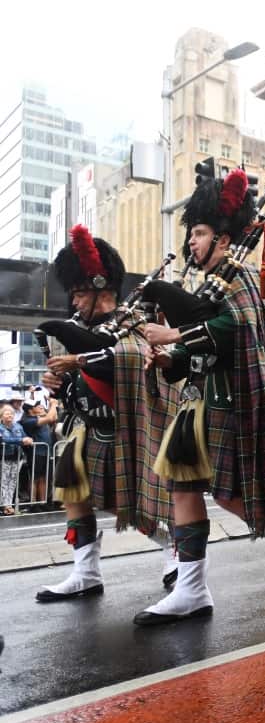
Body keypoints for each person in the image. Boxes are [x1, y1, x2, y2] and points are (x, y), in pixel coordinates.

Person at [137, 168, 265, 626]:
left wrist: (177, 331)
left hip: (229, 404)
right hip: (197, 404)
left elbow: (237, 329)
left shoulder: (242, 277)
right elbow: (201, 349)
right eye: (192, 235)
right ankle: (191, 589)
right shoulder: (210, 284)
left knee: (230, 496)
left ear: (224, 238)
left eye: (199, 233)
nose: (192, 245)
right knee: (182, 488)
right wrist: (171, 360)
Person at [36, 226, 177, 602]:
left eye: (80, 292)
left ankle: (173, 547)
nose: (75, 300)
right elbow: (70, 386)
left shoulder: (130, 323)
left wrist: (77, 360)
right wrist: (57, 382)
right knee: (73, 492)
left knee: (126, 502)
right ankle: (85, 572)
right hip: (84, 425)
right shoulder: (74, 329)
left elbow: (127, 359)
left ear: (102, 289)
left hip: (122, 425)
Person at [21, 399, 54, 505]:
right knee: (34, 478)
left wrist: (51, 406)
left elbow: (54, 417)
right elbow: (50, 418)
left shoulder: (38, 417)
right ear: (30, 410)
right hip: (35, 452)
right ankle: (33, 503)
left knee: (43, 478)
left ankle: (42, 503)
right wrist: (54, 404)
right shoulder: (27, 420)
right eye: (36, 406)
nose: (39, 406)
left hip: (45, 452)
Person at [0, 405, 30, 514]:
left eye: (11, 414)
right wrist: (21, 440)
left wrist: (29, 439)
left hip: (17, 457)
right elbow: (4, 439)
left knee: (12, 481)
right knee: (4, 481)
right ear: (1, 416)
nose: (10, 415)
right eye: (7, 413)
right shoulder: (0, 427)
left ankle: (8, 504)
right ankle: (5, 505)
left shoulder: (18, 426)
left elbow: (25, 436)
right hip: (4, 457)